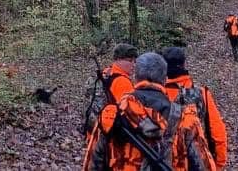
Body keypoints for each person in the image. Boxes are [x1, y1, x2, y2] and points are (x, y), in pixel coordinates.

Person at [83, 52, 216, 171]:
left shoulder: (111, 117)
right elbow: (204, 165)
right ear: (164, 80)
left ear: (136, 77)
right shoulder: (186, 119)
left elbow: (92, 165)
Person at [161, 46, 228, 169]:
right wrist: (218, 163)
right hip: (198, 162)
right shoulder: (201, 93)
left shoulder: (157, 96)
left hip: (164, 163)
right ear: (184, 64)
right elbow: (217, 132)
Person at [82, 43, 138, 138]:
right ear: (118, 59)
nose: (134, 64)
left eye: (135, 61)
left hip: (94, 131)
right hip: (108, 136)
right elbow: (132, 115)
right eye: (130, 61)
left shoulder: (107, 72)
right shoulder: (122, 82)